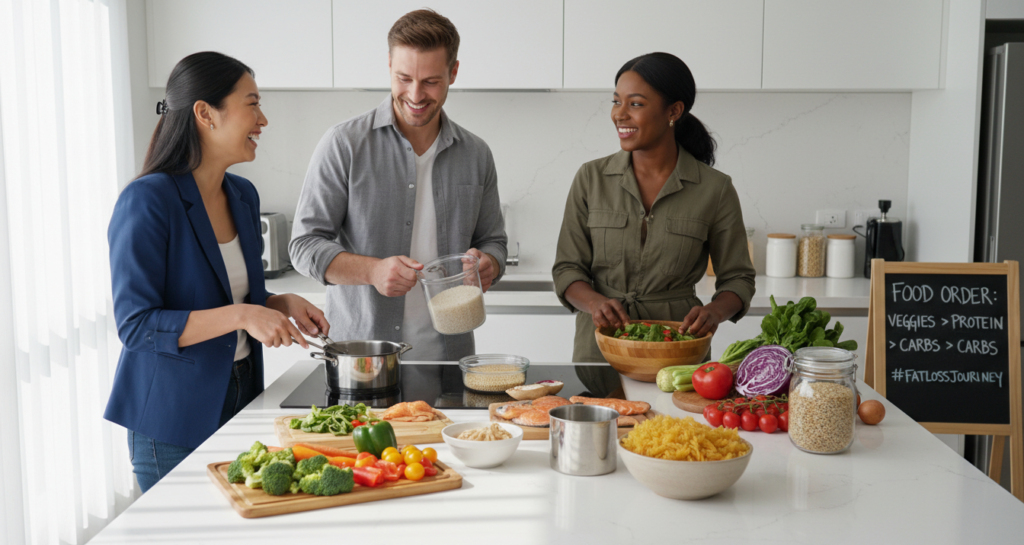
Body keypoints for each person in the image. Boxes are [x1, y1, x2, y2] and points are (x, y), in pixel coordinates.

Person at [106, 52, 328, 492]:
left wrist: (275, 302)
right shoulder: (148, 201)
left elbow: (233, 293)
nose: (262, 119)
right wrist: (244, 316)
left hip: (243, 394)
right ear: (205, 113)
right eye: (252, 103)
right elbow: (136, 326)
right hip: (172, 418)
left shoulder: (242, 196)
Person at [289, 9, 507, 361]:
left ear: (453, 72)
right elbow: (303, 246)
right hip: (364, 360)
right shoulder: (344, 144)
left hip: (451, 358)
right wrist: (372, 271)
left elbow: (493, 242)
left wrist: (490, 265)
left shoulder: (476, 154)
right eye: (404, 77)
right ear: (389, 64)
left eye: (431, 81)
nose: (416, 95)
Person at [552, 52, 756, 362]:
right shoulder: (591, 178)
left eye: (635, 104)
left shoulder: (715, 189)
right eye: (616, 101)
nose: (620, 114)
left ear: (673, 111)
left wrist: (714, 312)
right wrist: (595, 303)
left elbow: (738, 278)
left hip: (679, 350)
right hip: (600, 350)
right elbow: (567, 269)